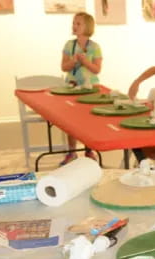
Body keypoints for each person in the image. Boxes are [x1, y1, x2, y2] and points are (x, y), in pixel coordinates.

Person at [60, 12, 102, 166]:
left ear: (88, 27)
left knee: (88, 121)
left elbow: (97, 69)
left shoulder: (95, 47)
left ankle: (89, 150)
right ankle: (71, 151)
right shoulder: (68, 45)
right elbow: (63, 67)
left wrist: (85, 61)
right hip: (71, 87)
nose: (74, 26)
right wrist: (72, 61)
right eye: (74, 23)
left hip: (90, 89)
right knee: (70, 121)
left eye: (78, 24)